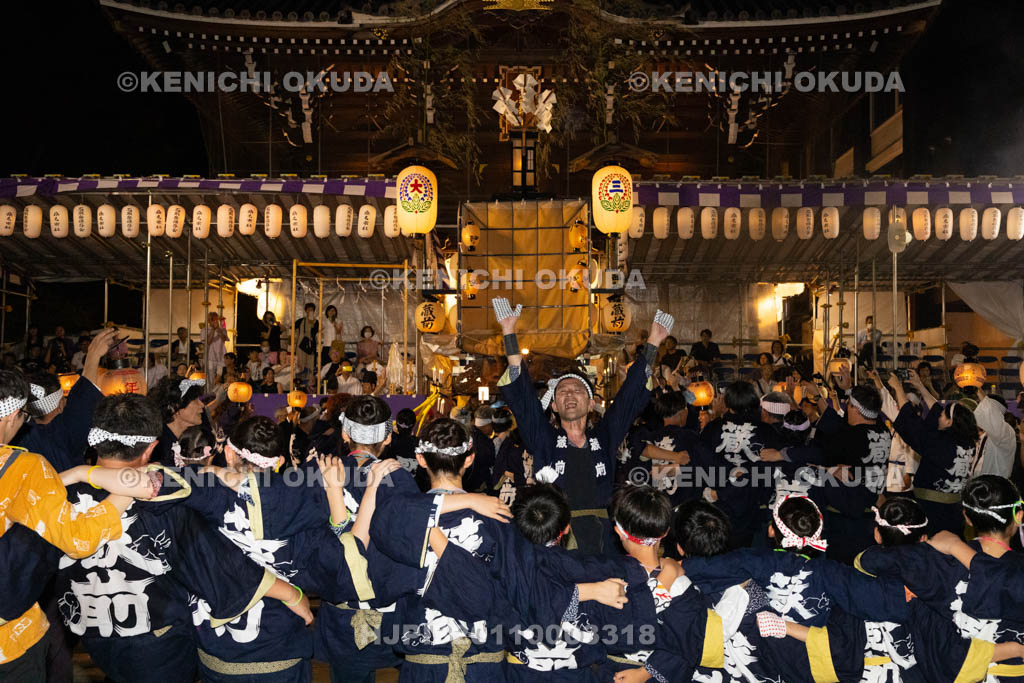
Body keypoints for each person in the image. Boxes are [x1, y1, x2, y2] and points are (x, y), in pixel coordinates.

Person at [54, 393, 308, 683]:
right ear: (152, 448)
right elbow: (217, 568)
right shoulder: (165, 501)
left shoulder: (59, 495)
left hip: (92, 632)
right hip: (159, 644)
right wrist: (292, 594)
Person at [495, 297, 673, 554]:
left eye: (577, 390)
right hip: (557, 537)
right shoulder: (543, 438)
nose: (569, 394)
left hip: (603, 540)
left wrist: (654, 342)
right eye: (562, 391)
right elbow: (523, 400)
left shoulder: (605, 436)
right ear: (554, 406)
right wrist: (509, 333)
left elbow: (627, 400)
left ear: (591, 404)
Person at [0, 369, 135, 677]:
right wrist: (126, 493)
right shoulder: (24, 468)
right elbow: (78, 539)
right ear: (9, 416)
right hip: (8, 642)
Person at [888, 369, 978, 535]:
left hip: (933, 510)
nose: (938, 417)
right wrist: (920, 386)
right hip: (954, 508)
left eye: (943, 416)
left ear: (950, 422)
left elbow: (911, 423)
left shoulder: (940, 443)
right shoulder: (967, 442)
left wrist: (898, 389)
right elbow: (936, 409)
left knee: (933, 546)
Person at [294, 302, 319, 382]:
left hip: (311, 345)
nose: (310, 311)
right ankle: (299, 382)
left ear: (314, 311)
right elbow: (292, 330)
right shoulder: (300, 321)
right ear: (306, 311)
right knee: (300, 363)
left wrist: (312, 324)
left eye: (312, 310)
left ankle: (310, 382)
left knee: (310, 363)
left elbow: (317, 334)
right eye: (308, 309)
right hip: (300, 345)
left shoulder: (317, 322)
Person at [203, 312, 229, 377]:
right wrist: (213, 329)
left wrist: (218, 329)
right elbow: (208, 341)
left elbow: (224, 339)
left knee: (220, 375)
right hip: (210, 357)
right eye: (212, 319)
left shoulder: (222, 329)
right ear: (209, 321)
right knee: (210, 376)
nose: (215, 321)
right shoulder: (205, 330)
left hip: (221, 356)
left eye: (216, 319)